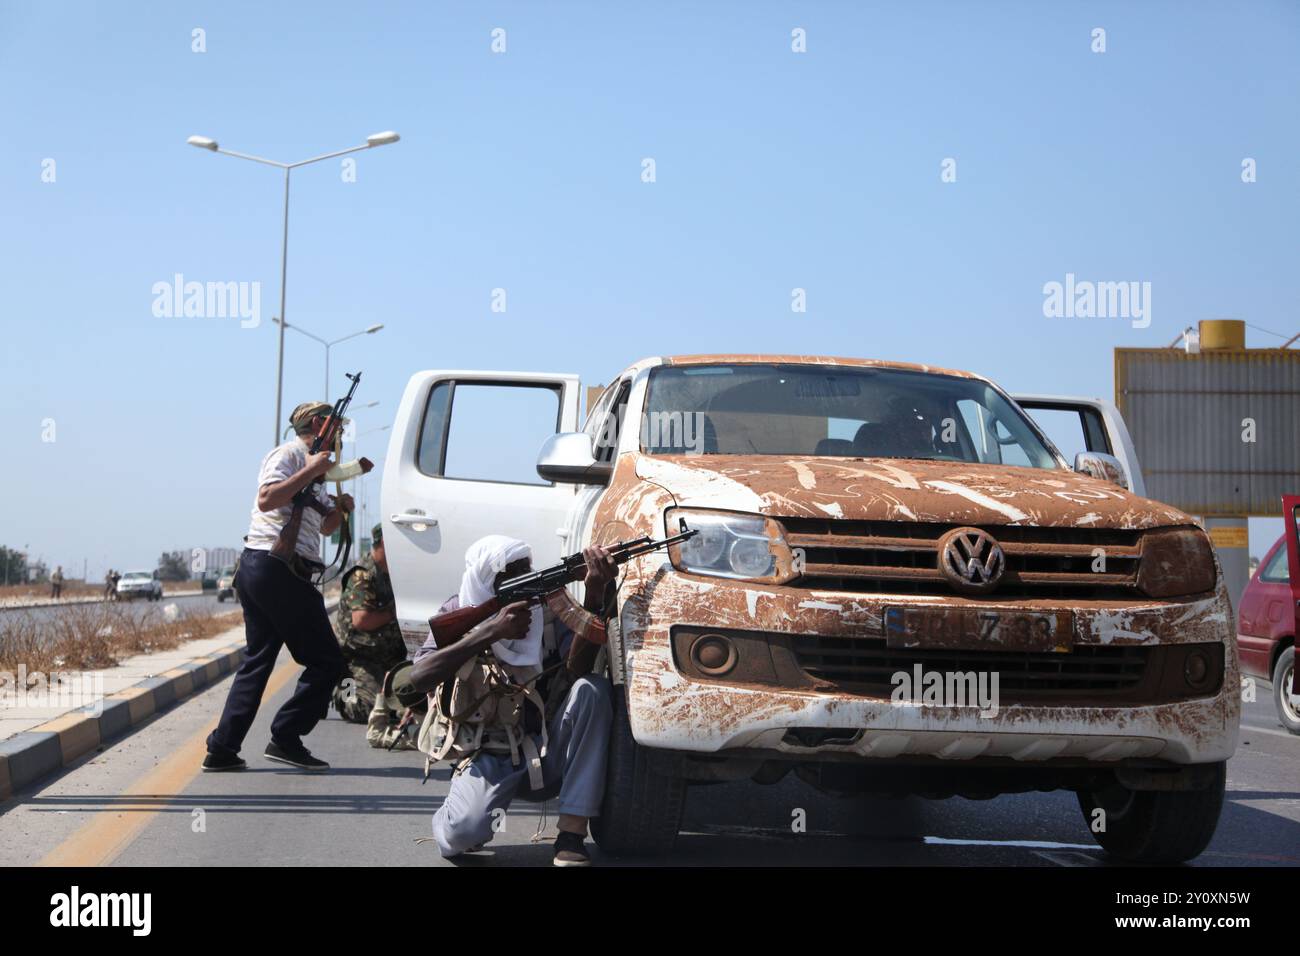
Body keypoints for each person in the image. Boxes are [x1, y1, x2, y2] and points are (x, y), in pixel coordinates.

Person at [410, 535, 616, 867]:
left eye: (526, 570)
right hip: (489, 755)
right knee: (461, 836)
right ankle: (458, 815)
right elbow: (419, 678)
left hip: (548, 747)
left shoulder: (546, 610)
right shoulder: (458, 610)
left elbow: (576, 671)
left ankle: (572, 834)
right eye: (510, 573)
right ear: (484, 580)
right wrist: (489, 632)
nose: (523, 579)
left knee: (592, 690)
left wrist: (594, 595)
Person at [201, 401, 352, 773]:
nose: (342, 434)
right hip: (275, 568)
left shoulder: (315, 472)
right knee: (328, 662)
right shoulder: (288, 455)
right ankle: (286, 737)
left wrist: (341, 509)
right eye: (337, 426)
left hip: (273, 571)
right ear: (319, 424)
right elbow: (267, 499)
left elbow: (325, 527)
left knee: (258, 660)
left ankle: (222, 748)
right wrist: (312, 469)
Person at [331, 522, 413, 749]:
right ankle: (340, 690)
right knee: (360, 708)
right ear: (385, 543)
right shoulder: (363, 575)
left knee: (412, 701)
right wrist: (394, 613)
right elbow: (362, 620)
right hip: (358, 658)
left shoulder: (395, 573)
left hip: (390, 658)